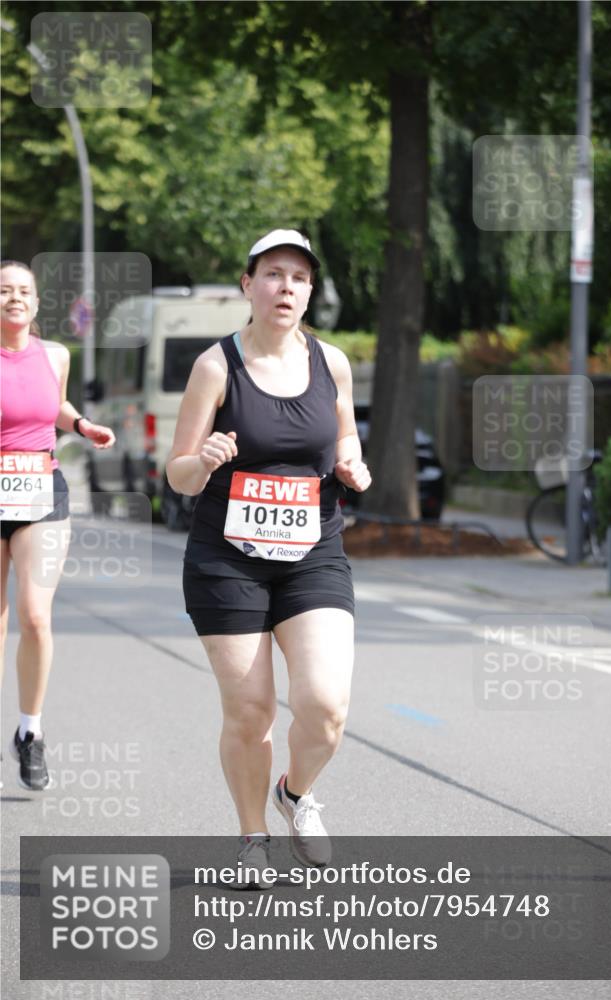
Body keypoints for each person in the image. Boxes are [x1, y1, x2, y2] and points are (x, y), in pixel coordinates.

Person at [167, 230, 371, 873]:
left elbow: (345, 441)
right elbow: (176, 473)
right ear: (247, 284)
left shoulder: (331, 363)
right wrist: (201, 460)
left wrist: (352, 464)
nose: (287, 287)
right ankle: (252, 837)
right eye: (274, 274)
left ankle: (296, 793)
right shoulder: (214, 366)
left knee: (326, 706)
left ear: (310, 292)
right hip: (227, 560)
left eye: (300, 278)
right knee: (252, 710)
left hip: (313, 552)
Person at [0, 260, 115, 791]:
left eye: (23, 291)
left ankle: (30, 731)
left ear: (36, 301)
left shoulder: (56, 354)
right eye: (4, 291)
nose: (14, 299)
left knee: (35, 616)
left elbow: (56, 405)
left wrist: (81, 424)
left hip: (41, 492)